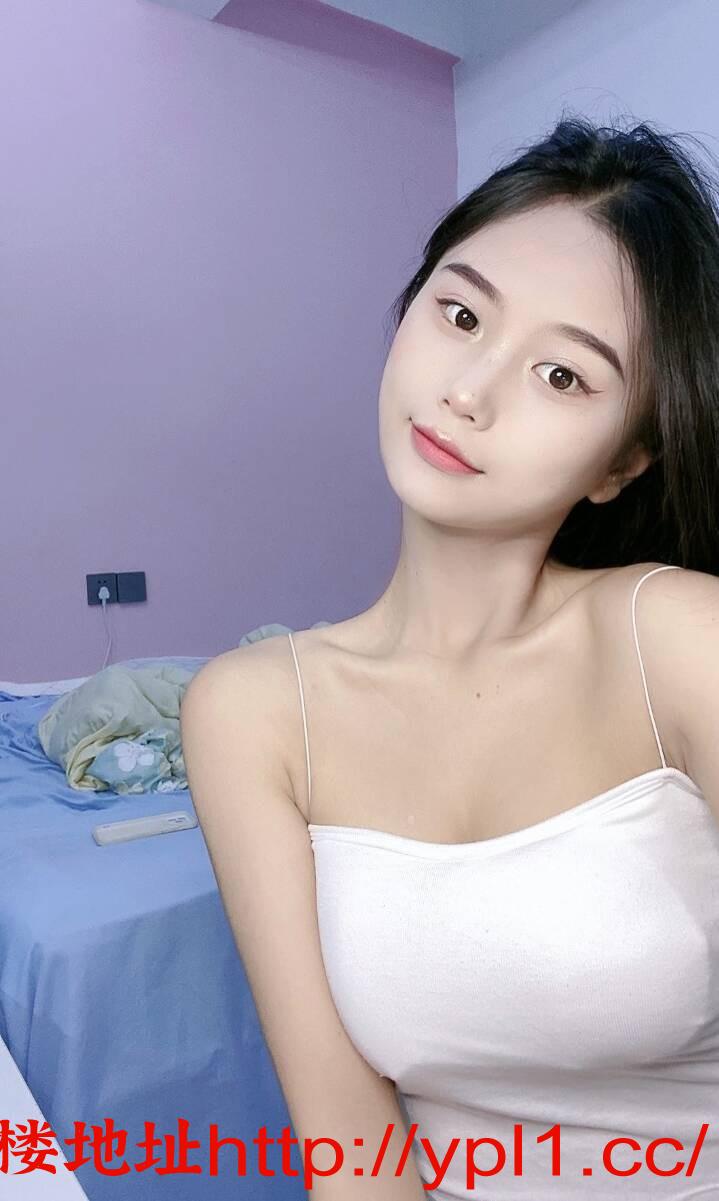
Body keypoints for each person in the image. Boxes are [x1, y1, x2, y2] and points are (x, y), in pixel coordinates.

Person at [180, 113, 719, 1199]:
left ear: (621, 462)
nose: (467, 389)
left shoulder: (675, 637)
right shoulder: (249, 710)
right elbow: (350, 1147)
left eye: (561, 376)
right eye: (460, 313)